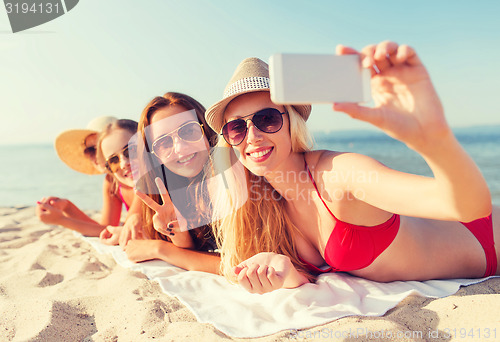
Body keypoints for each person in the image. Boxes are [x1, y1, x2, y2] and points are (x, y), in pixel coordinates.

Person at [204, 41, 499, 294]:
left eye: (267, 118)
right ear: (229, 140)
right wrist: (288, 274)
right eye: (236, 128)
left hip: (487, 237)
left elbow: (469, 207)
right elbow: (233, 265)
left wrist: (434, 138)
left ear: (291, 121)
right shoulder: (262, 202)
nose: (252, 136)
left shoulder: (337, 174)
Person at [117, 92, 220, 273]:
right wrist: (178, 234)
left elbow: (241, 263)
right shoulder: (169, 190)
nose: (180, 147)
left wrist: (161, 249)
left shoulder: (228, 178)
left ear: (206, 129)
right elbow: (196, 255)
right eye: (164, 142)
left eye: (188, 130)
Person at [35, 116, 135, 236]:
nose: (94, 156)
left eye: (97, 148)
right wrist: (67, 207)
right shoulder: (112, 181)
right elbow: (105, 229)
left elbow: (124, 233)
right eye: (88, 151)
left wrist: (61, 220)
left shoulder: (139, 179)